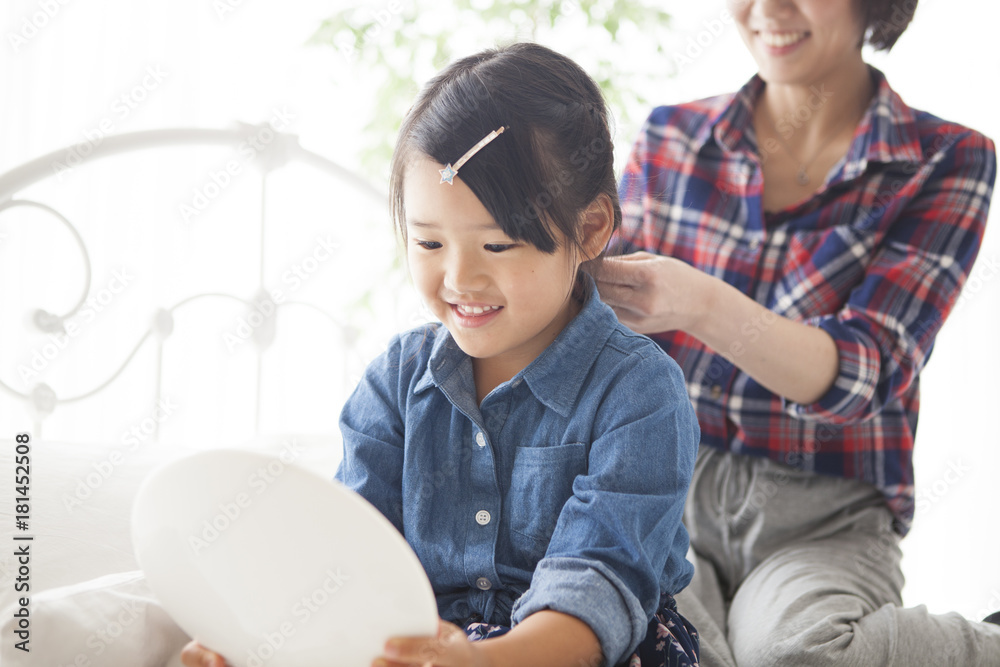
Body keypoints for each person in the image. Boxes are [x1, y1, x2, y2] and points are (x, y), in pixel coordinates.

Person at [181, 42, 702, 667]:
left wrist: (484, 660)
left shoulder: (640, 391)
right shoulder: (396, 381)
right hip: (425, 648)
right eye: (429, 241)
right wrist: (259, 637)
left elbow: (598, 583)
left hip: (582, 648)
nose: (460, 279)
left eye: (499, 246)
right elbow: (346, 556)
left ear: (589, 230)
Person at [595, 0, 999, 665]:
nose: (769, 8)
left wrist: (700, 303)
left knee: (800, 652)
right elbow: (591, 318)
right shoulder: (671, 136)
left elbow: (861, 374)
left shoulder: (946, 160)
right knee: (659, 649)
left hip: (823, 517)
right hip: (665, 489)